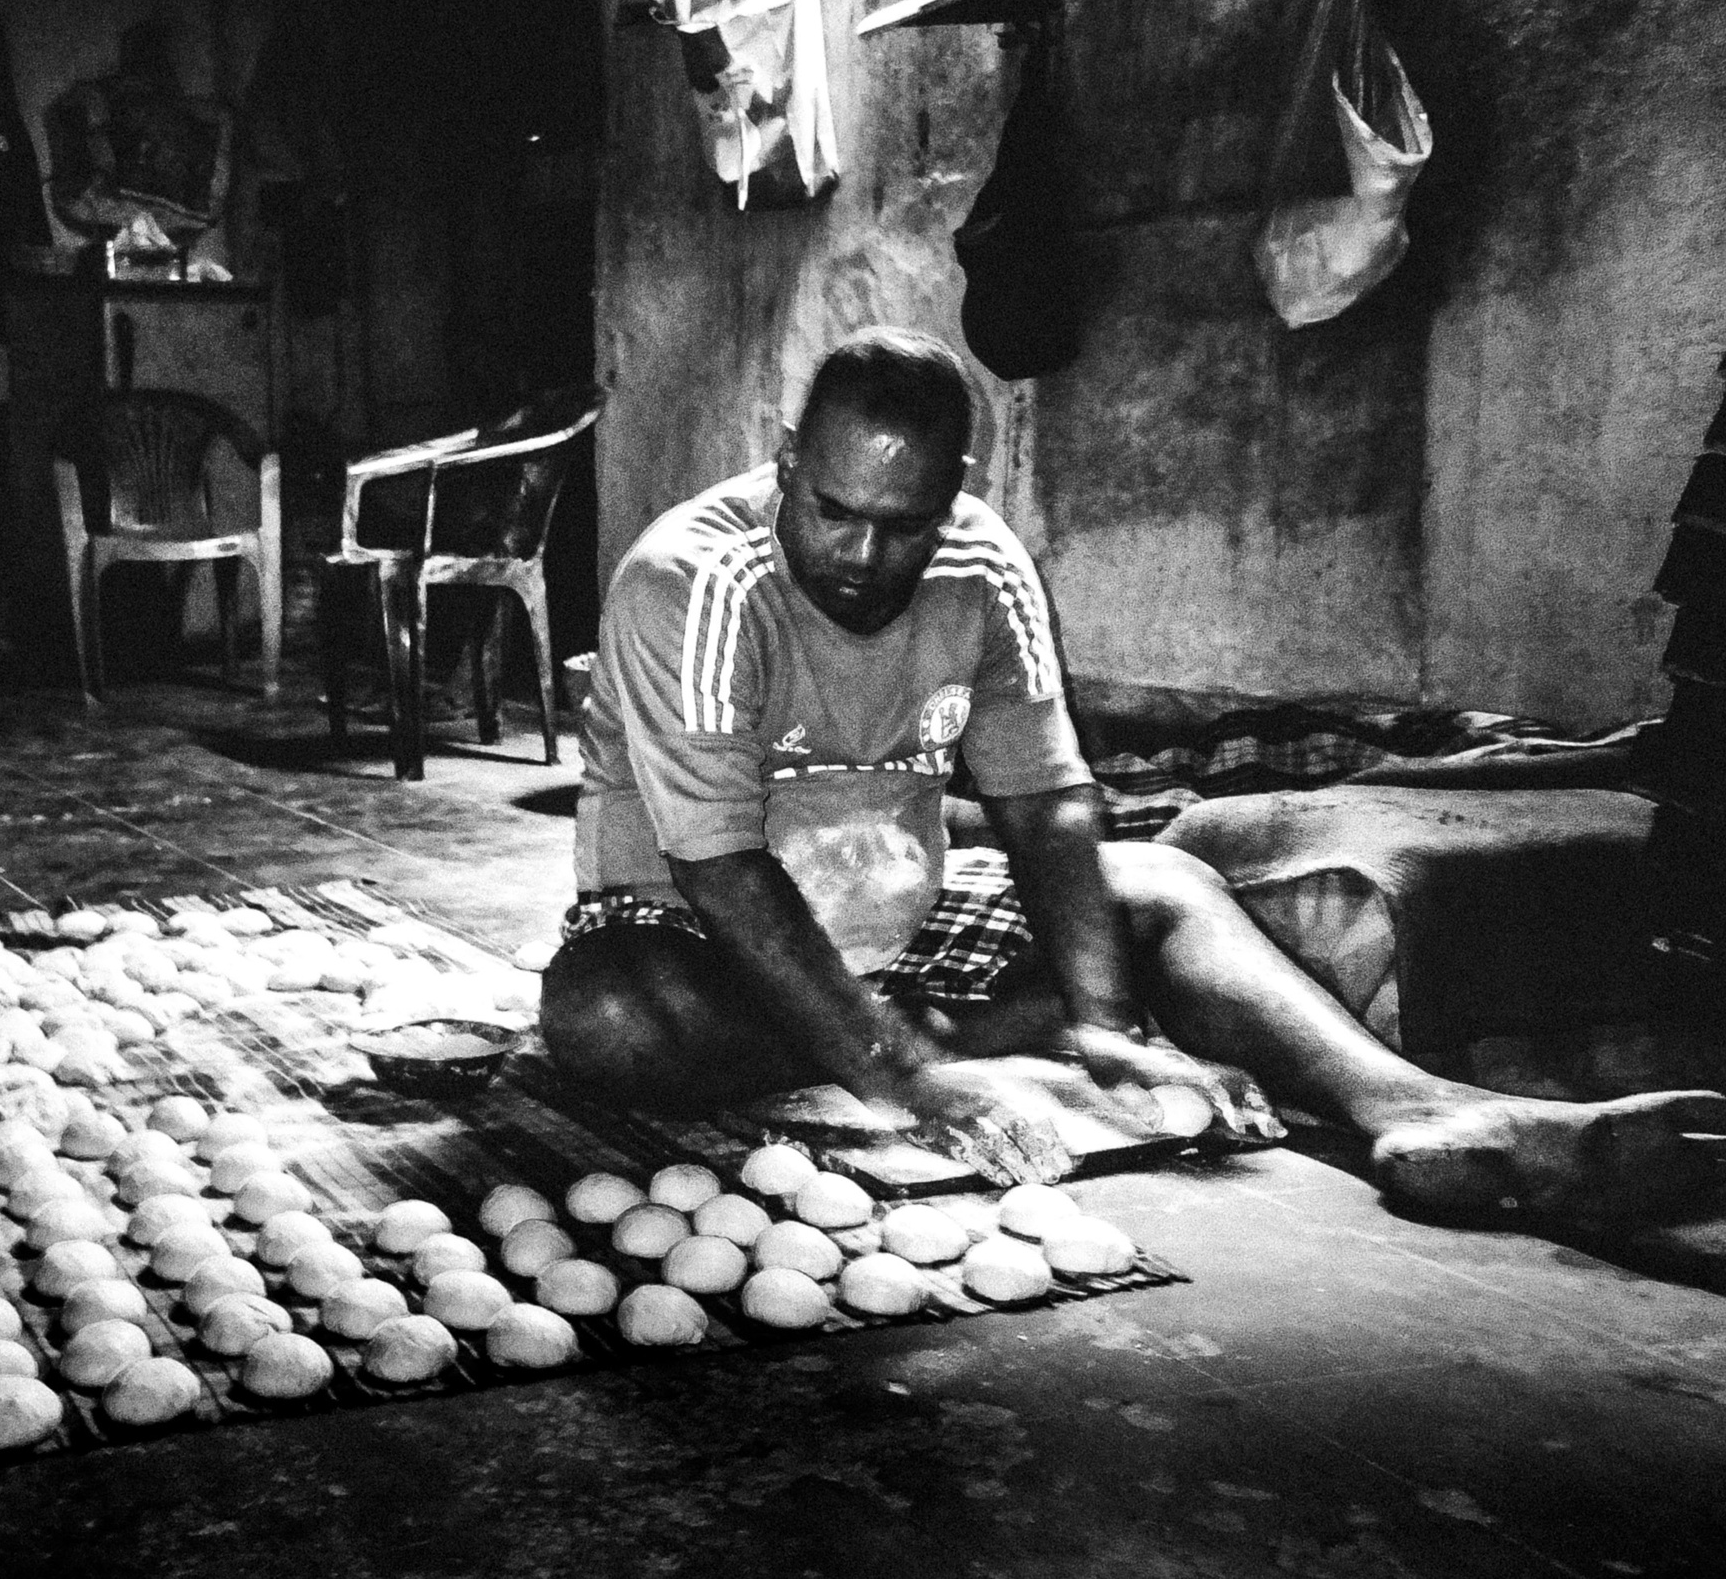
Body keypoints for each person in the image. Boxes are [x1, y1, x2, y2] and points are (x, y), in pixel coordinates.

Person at [542, 326, 1726, 1221]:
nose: (862, 554)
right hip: (693, 929)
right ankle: (955, 1041)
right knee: (609, 1019)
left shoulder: (984, 568)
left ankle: (1434, 1115)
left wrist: (1107, 1020)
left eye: (904, 522)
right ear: (787, 460)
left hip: (898, 921)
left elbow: (1047, 800)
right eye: (833, 510)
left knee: (1162, 886)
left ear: (955, 492)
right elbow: (720, 863)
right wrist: (906, 1076)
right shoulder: (690, 582)